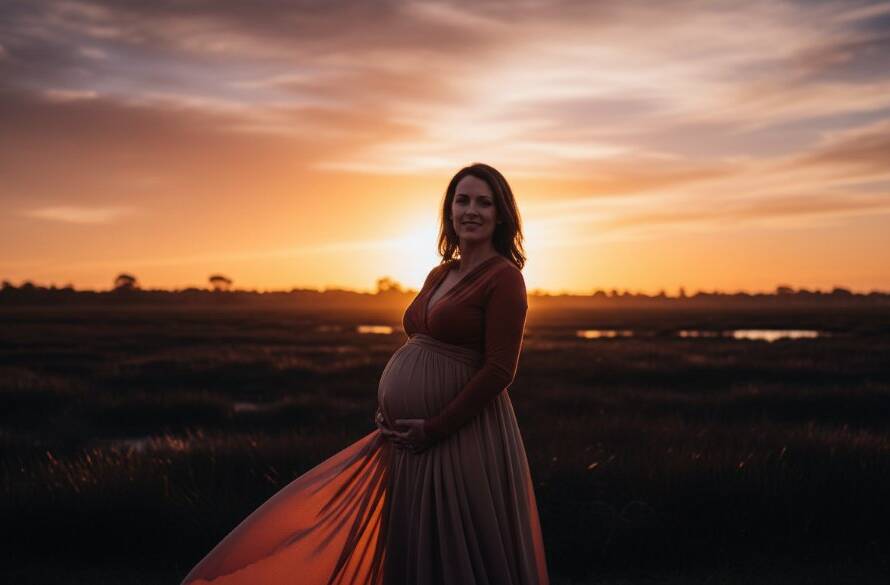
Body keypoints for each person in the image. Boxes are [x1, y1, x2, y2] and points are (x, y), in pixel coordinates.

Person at [179, 163, 550, 585]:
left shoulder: (506, 279)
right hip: (407, 438)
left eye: (484, 202)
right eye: (461, 200)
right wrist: (392, 409)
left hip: (458, 435)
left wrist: (435, 426)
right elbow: (422, 340)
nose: (471, 210)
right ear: (449, 211)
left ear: (501, 214)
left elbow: (500, 370)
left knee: (454, 546)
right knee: (412, 540)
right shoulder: (441, 273)